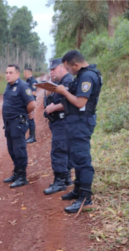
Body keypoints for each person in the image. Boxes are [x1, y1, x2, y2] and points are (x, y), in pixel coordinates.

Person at [55, 50, 103, 213]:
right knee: (75, 157)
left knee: (82, 159)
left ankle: (85, 198)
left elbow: (80, 102)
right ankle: (77, 189)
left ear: (75, 64)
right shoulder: (82, 75)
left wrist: (63, 92)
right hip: (75, 122)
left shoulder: (87, 76)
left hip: (81, 123)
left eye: (68, 69)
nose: (68, 72)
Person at [43, 58, 74, 195]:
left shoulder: (67, 81)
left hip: (63, 122)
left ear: (63, 67)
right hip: (60, 123)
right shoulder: (60, 82)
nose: (51, 71)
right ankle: (66, 178)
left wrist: (53, 108)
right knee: (64, 150)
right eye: (50, 69)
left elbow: (70, 102)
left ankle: (59, 181)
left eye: (54, 69)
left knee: (59, 151)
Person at [2, 65, 36, 188]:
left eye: (10, 72)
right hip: (8, 123)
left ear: (17, 74)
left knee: (19, 149)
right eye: (6, 72)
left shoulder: (22, 86)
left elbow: (32, 103)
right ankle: (16, 173)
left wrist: (26, 113)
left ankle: (22, 176)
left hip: (18, 123)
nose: (7, 75)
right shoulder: (9, 86)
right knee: (12, 149)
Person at [24, 67, 39, 143]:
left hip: (31, 103)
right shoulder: (27, 81)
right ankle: (29, 136)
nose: (23, 75)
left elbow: (33, 93)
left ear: (27, 73)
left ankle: (32, 137)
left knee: (31, 119)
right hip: (27, 103)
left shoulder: (33, 81)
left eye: (24, 73)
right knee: (27, 119)